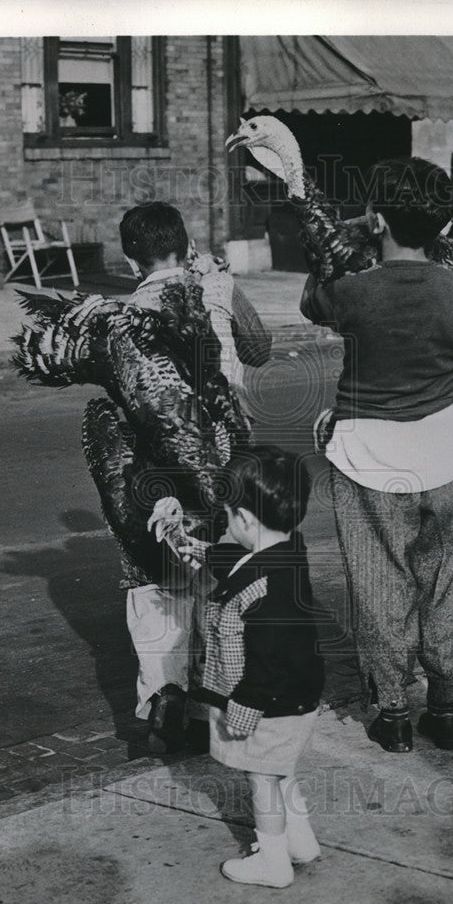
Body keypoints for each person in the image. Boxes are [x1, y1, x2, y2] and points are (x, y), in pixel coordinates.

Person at [300, 157, 453, 755]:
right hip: (450, 447)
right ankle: (448, 706)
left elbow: (313, 300)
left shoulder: (350, 293)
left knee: (381, 584)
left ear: (378, 216)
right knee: (451, 580)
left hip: (369, 455)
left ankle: (393, 713)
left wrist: (356, 231)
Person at [119, 202, 272, 754]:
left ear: (129, 260)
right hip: (223, 457)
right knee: (219, 579)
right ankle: (220, 703)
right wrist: (226, 288)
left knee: (155, 578)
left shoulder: (122, 315)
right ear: (186, 248)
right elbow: (260, 349)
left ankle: (164, 692)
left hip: (153, 465)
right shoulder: (215, 290)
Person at [184, 445, 324, 888]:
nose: (227, 525)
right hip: (297, 701)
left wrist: (243, 710)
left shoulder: (262, 587)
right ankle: (300, 842)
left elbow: (267, 659)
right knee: (283, 771)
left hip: (268, 703)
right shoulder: (288, 553)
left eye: (227, 517)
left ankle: (273, 863)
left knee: (261, 779)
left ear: (243, 518)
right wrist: (204, 552)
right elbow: (243, 560)